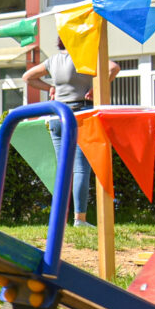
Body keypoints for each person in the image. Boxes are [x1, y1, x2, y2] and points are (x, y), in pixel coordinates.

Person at [22, 40, 120, 227]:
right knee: (80, 168)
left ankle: (59, 218)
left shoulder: (53, 60)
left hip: (57, 116)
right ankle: (79, 219)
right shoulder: (85, 57)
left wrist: (49, 88)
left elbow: (27, 77)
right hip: (80, 114)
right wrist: (97, 87)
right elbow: (114, 68)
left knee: (63, 170)